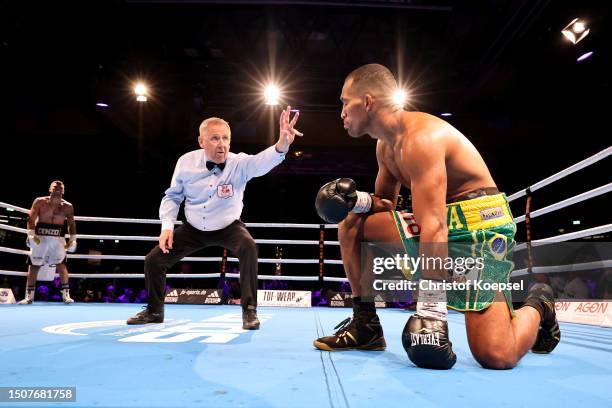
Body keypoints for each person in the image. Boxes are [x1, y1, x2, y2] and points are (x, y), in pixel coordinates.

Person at [314, 64, 559, 369]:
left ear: (367, 101)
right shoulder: (385, 147)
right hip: (439, 219)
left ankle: (540, 303)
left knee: (496, 355)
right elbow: (387, 203)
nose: (341, 113)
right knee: (352, 220)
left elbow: (434, 226)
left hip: (479, 227)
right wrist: (357, 200)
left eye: (344, 102)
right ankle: (366, 324)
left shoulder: (421, 139)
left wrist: (431, 310)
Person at [127, 107, 301, 329]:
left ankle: (249, 311)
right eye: (215, 138)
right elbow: (172, 197)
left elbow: (262, 161)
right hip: (193, 228)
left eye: (226, 138)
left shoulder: (239, 163)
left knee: (248, 246)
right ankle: (154, 311)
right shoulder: (186, 162)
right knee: (154, 260)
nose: (222, 144)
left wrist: (282, 144)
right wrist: (167, 227)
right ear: (201, 141)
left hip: (228, 226)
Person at [19, 180, 76, 304]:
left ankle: (66, 295)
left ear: (63, 191)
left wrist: (72, 239)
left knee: (61, 264)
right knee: (34, 264)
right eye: (55, 187)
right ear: (50, 189)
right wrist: (31, 235)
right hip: (41, 236)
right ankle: (29, 296)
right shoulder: (40, 201)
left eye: (60, 188)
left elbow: (71, 223)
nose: (58, 189)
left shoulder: (68, 206)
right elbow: (31, 218)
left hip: (57, 238)